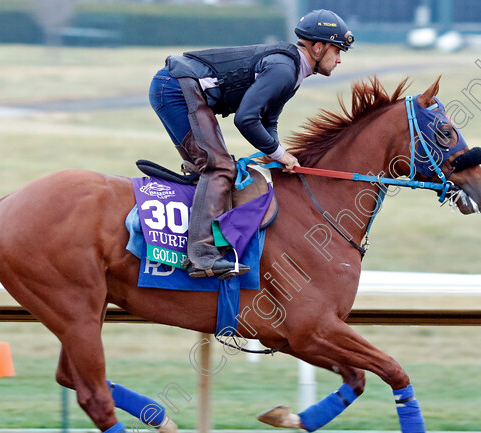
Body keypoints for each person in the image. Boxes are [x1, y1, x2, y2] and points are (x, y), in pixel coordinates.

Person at [149, 9, 353, 279]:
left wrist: (278, 154)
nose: (339, 60)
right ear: (317, 47)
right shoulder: (283, 69)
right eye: (336, 51)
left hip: (180, 88)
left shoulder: (292, 71)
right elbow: (246, 119)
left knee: (215, 166)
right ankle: (202, 256)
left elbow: (268, 121)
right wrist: (278, 152)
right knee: (219, 167)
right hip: (176, 88)